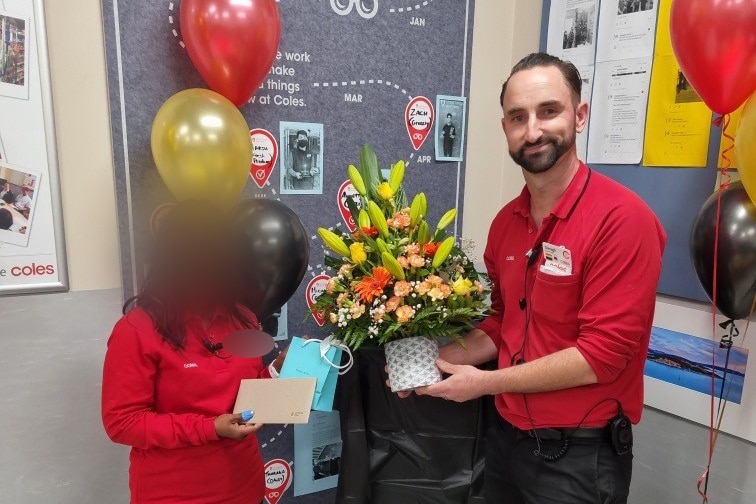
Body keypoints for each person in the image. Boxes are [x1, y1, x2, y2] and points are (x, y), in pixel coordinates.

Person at [407, 53, 666, 503]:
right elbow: (501, 321)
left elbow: (600, 357)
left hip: (581, 456)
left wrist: (482, 383)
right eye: (517, 117)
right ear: (504, 127)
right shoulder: (506, 223)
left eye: (549, 111)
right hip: (506, 443)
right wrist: (438, 357)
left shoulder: (622, 220)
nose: (532, 132)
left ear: (579, 116)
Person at [101, 203, 287, 504]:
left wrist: (278, 371)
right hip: (173, 492)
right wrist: (209, 428)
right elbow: (123, 422)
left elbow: (247, 401)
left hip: (244, 483)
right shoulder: (136, 330)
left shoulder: (244, 318)